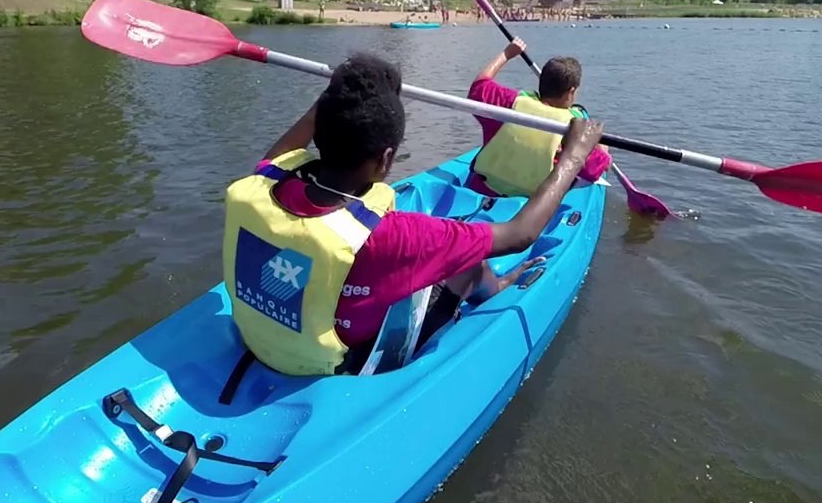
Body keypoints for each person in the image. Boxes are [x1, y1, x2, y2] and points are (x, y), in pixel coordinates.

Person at [223, 53, 604, 377]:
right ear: (387, 159)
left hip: (260, 335)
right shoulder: (397, 235)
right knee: (466, 256)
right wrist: (573, 156)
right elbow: (520, 234)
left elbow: (294, 142)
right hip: (337, 364)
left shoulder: (265, 179)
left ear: (320, 131)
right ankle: (496, 289)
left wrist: (341, 92)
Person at [465, 37, 611, 198]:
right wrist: (601, 147)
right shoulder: (574, 128)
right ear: (571, 91)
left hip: (483, 188)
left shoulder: (510, 101)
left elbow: (479, 85)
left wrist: (507, 53)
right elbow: (596, 170)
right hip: (533, 208)